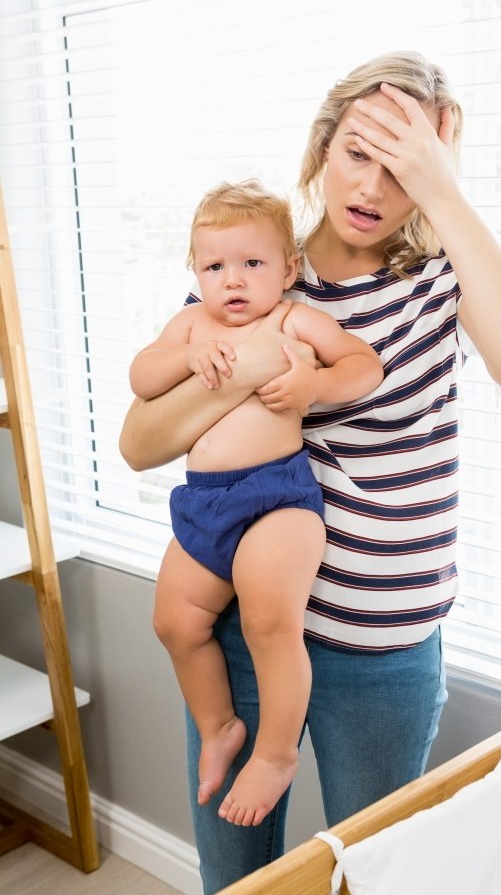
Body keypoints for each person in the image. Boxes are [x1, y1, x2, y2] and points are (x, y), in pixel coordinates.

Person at [119, 51, 501, 892]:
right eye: (359, 152)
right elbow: (141, 442)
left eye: (406, 171)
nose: (372, 188)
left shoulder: (437, 284)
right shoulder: (252, 273)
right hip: (245, 632)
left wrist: (446, 193)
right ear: (324, 145)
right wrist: (253, 367)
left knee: (379, 874)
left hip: (383, 647)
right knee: (240, 876)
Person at [129, 179, 383, 829]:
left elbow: (363, 364)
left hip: (278, 499)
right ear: (195, 270)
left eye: (252, 264)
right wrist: (185, 352)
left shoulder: (291, 317)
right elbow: (143, 375)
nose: (233, 281)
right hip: (205, 504)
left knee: (269, 620)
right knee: (174, 621)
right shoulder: (190, 324)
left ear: (288, 269)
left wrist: (314, 380)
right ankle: (219, 728)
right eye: (215, 266)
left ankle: (274, 753)